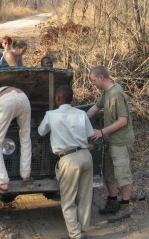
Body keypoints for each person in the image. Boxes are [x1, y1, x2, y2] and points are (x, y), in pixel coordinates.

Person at [38, 85, 95, 239]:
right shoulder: (81, 114)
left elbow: (41, 131)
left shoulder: (51, 115)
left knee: (68, 199)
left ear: (57, 98)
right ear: (72, 99)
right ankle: (82, 231)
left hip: (68, 159)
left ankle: (76, 235)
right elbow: (90, 135)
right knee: (85, 197)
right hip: (85, 155)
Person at [87, 65, 135, 223]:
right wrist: (79, 119)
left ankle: (125, 206)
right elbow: (95, 107)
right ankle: (113, 201)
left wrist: (101, 132)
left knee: (122, 174)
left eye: (94, 80)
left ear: (102, 78)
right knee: (108, 173)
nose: (93, 83)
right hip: (110, 140)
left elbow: (122, 121)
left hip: (120, 141)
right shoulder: (106, 92)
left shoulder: (116, 94)